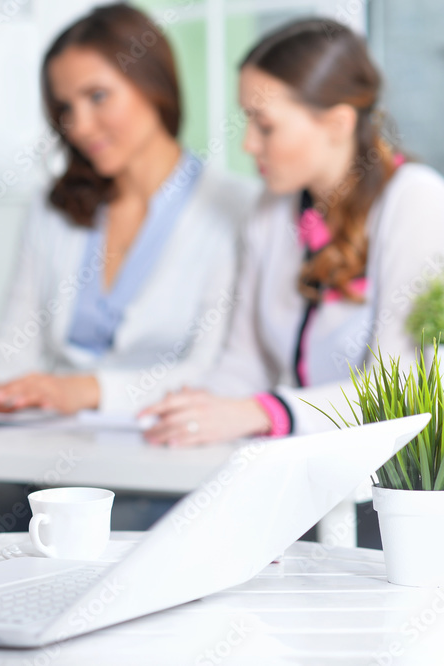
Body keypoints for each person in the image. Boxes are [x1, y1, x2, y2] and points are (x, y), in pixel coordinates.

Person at [0, 3, 258, 536]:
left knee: (87, 566)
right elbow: (13, 348)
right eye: (65, 108)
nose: (80, 125)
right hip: (44, 463)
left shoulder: (235, 210)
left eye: (98, 97)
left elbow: (214, 374)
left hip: (167, 468)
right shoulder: (56, 207)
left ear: (153, 84)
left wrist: (84, 390)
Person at [142, 18, 444, 452]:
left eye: (265, 125)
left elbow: (397, 390)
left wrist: (267, 412)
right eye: (247, 121)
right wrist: (196, 408)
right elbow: (245, 364)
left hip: (389, 476)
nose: (248, 143)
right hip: (307, 461)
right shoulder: (270, 211)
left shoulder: (416, 201)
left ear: (338, 123)